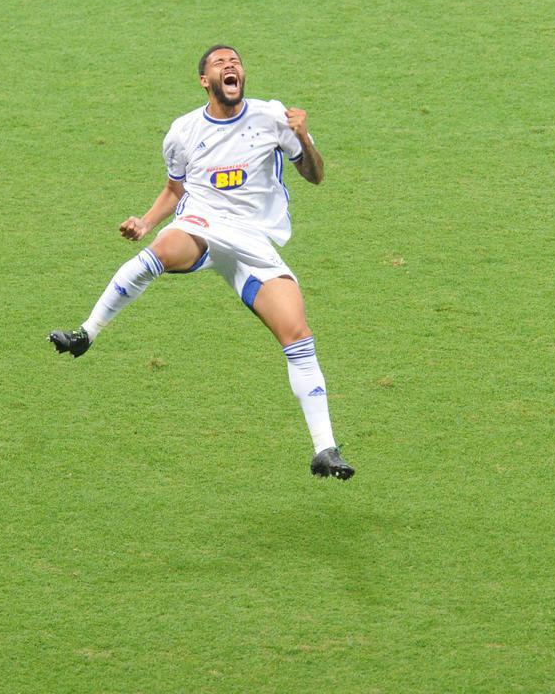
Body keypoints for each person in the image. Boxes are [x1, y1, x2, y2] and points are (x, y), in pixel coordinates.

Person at [49, 45, 354, 480]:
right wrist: (146, 221)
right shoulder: (183, 132)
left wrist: (304, 136)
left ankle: (325, 449)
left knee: (298, 335)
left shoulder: (272, 117)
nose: (230, 66)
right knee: (156, 254)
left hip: (254, 243)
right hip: (201, 224)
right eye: (219, 63)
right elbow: (174, 189)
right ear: (204, 80)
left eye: (235, 62)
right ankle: (86, 333)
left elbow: (316, 175)